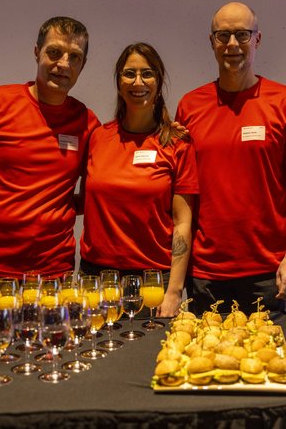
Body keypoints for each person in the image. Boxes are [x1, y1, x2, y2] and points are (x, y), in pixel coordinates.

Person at [175, 2, 286, 315]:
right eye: (223, 35)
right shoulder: (190, 106)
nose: (232, 44)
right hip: (205, 272)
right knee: (206, 348)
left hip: (266, 272)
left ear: (257, 39)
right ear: (212, 42)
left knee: (265, 347)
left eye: (242, 35)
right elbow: (182, 190)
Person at [0, 16, 100, 283]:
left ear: (82, 65)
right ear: (36, 52)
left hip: (53, 275)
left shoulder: (87, 122)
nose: (63, 64)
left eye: (74, 57)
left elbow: (100, 190)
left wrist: (58, 205)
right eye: (54, 52)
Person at [79, 42, 198, 317]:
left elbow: (182, 222)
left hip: (152, 282)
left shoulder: (177, 144)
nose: (138, 82)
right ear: (119, 82)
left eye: (147, 73)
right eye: (129, 74)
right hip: (96, 280)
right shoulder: (97, 138)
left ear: (159, 81)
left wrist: (174, 291)